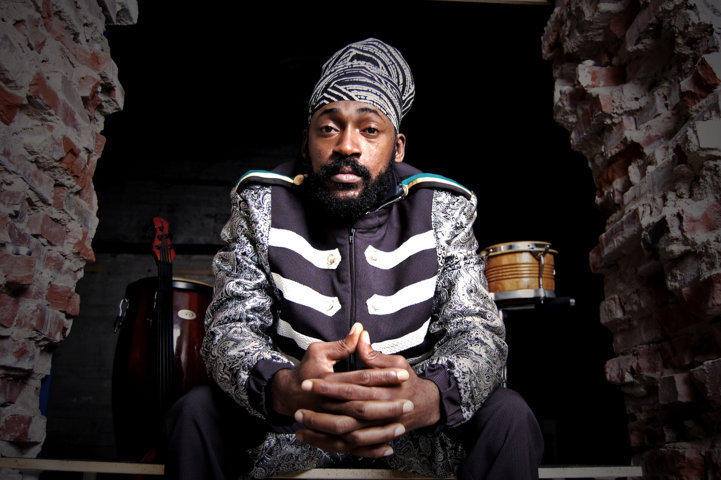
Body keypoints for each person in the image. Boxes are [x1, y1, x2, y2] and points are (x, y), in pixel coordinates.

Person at [165, 38, 544, 480]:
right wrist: (286, 388)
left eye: (369, 129)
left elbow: (478, 331)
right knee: (195, 411)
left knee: (510, 415)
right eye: (328, 128)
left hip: (412, 433)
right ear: (307, 142)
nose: (347, 145)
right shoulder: (261, 204)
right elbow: (229, 328)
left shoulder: (442, 209)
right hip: (292, 428)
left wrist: (427, 397)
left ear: (397, 148)